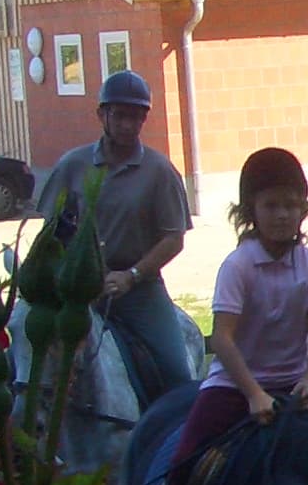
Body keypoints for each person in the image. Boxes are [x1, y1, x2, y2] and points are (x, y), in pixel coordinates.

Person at [165, 145, 308, 481]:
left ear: (303, 210)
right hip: (233, 388)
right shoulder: (238, 266)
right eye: (271, 205)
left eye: (290, 205)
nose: (282, 214)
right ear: (251, 211)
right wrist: (253, 394)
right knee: (181, 469)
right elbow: (222, 338)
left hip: (295, 386)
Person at [39, 70, 195, 403]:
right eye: (120, 115)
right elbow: (50, 232)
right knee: (29, 359)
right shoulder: (72, 166)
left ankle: (180, 441)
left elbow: (173, 238)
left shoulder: (159, 171)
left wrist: (132, 275)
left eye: (136, 117)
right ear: (102, 115)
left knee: (176, 373)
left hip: (138, 288)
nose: (128, 124)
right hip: (77, 290)